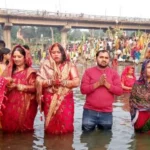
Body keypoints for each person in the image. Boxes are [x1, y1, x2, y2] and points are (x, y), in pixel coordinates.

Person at [36, 43, 80, 134]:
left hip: (65, 99)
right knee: (50, 127)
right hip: (49, 99)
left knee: (66, 126)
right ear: (50, 53)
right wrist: (50, 82)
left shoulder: (69, 65)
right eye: (53, 52)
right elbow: (38, 82)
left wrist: (64, 82)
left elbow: (76, 82)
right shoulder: (45, 65)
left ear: (63, 53)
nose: (56, 54)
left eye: (58, 52)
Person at [80, 50, 123, 132]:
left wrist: (106, 84)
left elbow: (120, 91)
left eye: (106, 58)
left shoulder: (114, 73)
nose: (104, 59)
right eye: (101, 57)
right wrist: (98, 83)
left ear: (109, 60)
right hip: (89, 111)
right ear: (96, 58)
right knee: (86, 138)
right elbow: (83, 90)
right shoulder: (88, 72)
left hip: (106, 112)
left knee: (105, 139)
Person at [1, 45, 37, 133]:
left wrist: (17, 86)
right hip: (9, 104)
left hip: (27, 105)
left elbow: (35, 88)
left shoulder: (30, 72)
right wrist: (6, 83)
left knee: (25, 131)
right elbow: (1, 85)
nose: (16, 59)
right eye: (14, 56)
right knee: (9, 129)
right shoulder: (8, 70)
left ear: (25, 57)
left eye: (19, 57)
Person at [130, 59, 150, 133]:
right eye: (148, 67)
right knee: (140, 141)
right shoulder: (137, 84)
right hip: (140, 117)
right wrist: (135, 118)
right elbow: (132, 102)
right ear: (143, 69)